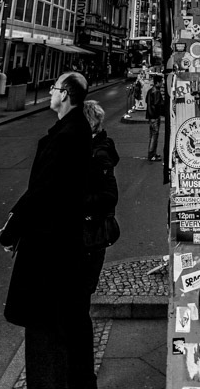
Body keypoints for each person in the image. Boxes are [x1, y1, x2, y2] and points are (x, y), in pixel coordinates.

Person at [0, 71, 97, 389]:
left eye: (54, 88)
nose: (50, 93)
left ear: (65, 94)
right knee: (61, 323)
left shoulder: (68, 135)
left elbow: (44, 190)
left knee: (44, 327)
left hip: (49, 247)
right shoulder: (73, 131)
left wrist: (12, 229)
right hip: (59, 243)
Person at [83, 99, 120, 295]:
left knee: (81, 290)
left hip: (91, 232)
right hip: (89, 231)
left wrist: (77, 201)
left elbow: (109, 196)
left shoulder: (98, 154)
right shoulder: (93, 149)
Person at [145, 74, 164, 161]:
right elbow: (157, 104)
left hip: (150, 116)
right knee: (154, 136)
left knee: (152, 135)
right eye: (161, 82)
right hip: (154, 116)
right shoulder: (156, 91)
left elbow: (147, 100)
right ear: (157, 83)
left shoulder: (150, 90)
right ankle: (152, 155)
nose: (162, 83)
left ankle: (152, 153)